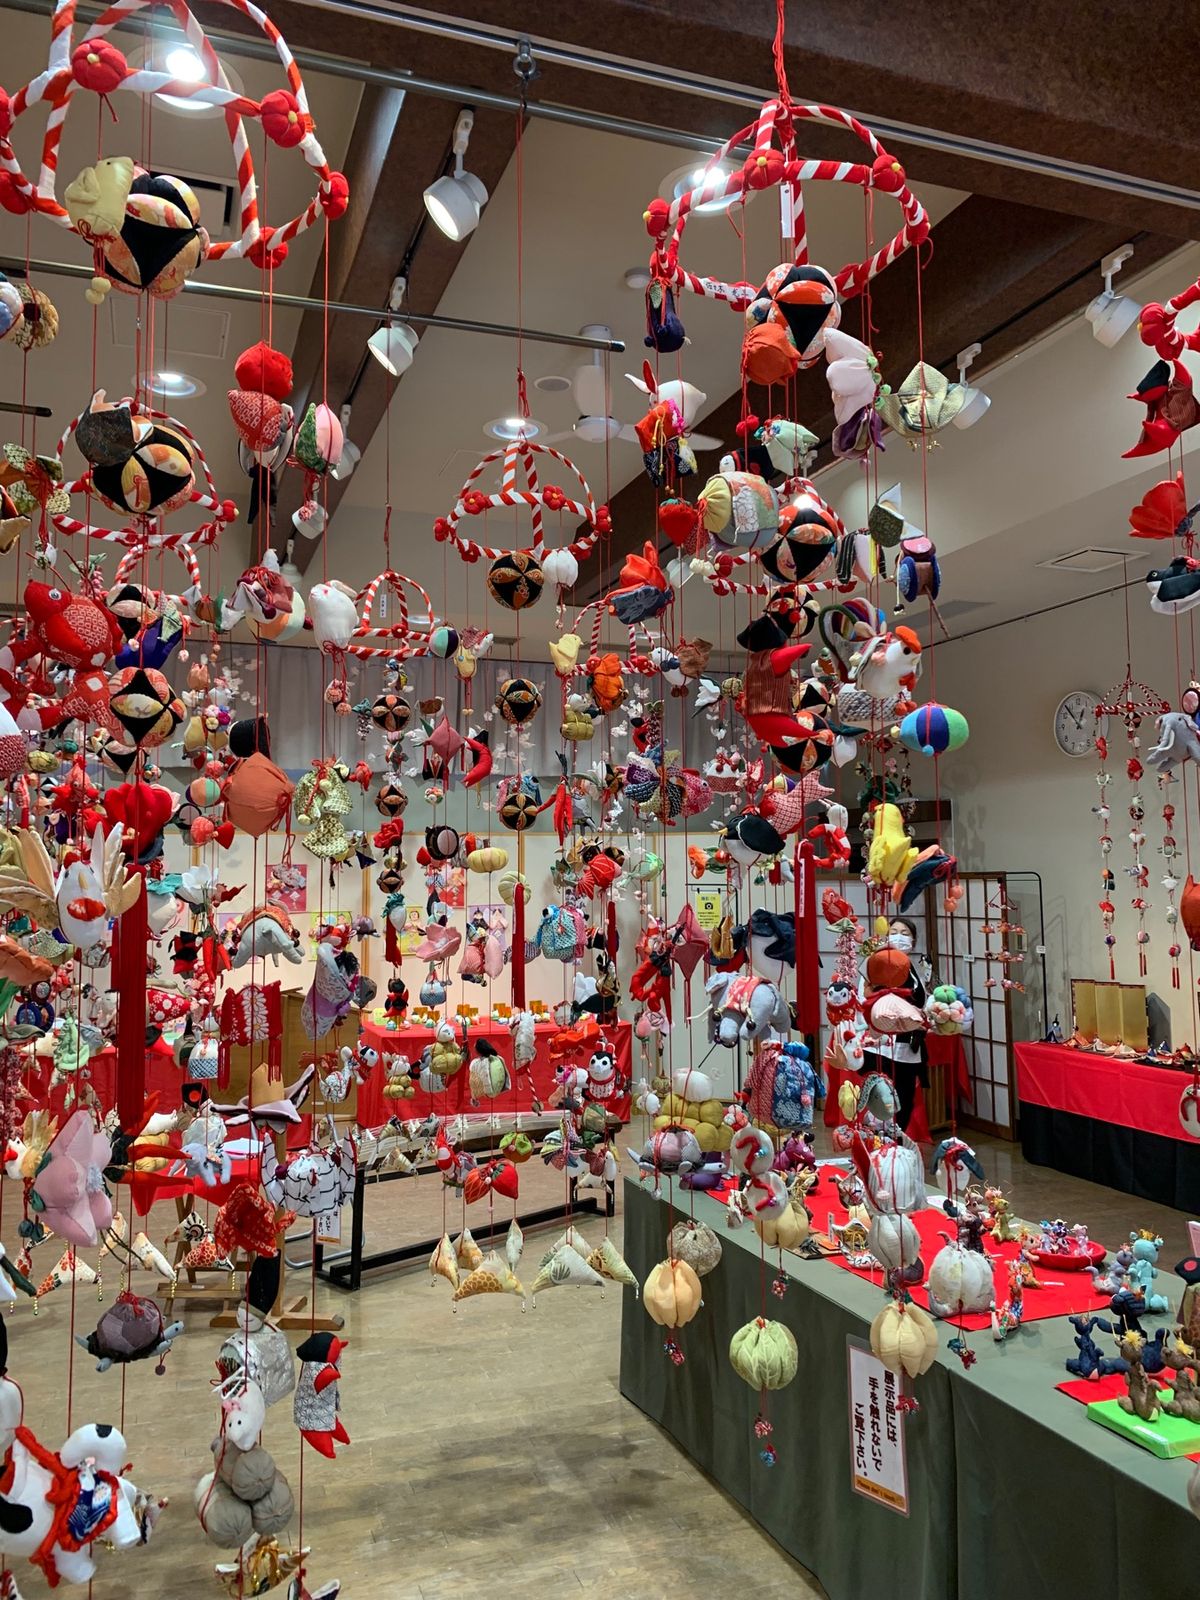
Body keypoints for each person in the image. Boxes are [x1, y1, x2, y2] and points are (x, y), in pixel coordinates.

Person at [862, 916, 929, 1131]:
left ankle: (897, 1142)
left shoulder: (911, 968)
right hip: (882, 1045)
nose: (899, 937)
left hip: (908, 1045)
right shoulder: (877, 963)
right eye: (894, 932)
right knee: (882, 1099)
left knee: (904, 1099)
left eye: (905, 933)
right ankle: (879, 1144)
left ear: (913, 941)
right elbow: (866, 999)